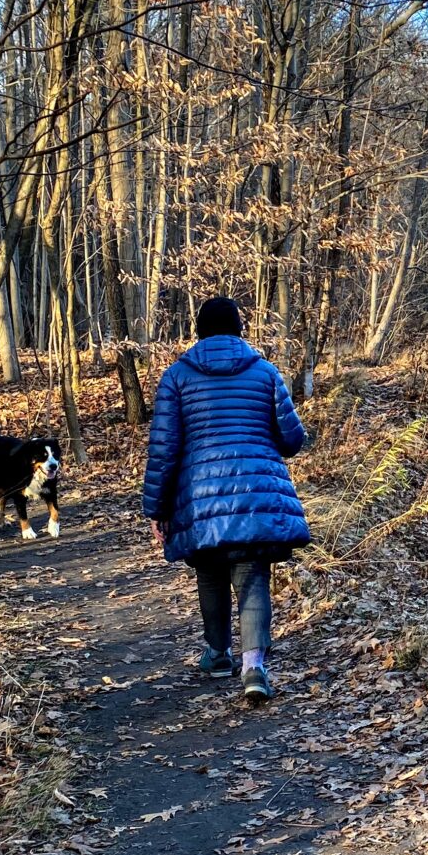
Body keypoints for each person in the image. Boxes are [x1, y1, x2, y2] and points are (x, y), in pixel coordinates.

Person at [140, 296, 309, 701]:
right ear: (238, 329)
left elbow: (164, 449)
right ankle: (254, 668)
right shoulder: (265, 372)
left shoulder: (177, 376)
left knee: (210, 572)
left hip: (198, 497)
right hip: (255, 493)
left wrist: (157, 509)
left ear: (198, 331)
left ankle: (218, 654)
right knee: (252, 575)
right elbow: (292, 439)